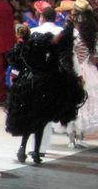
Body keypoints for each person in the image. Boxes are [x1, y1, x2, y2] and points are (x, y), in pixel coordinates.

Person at [6, 18, 85, 164]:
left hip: (26, 85)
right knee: (41, 119)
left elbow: (16, 64)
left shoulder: (24, 45)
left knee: (28, 118)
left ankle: (22, 147)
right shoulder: (43, 42)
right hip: (44, 86)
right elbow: (57, 55)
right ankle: (36, 151)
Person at [67, 0, 98, 148]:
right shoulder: (92, 35)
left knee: (72, 104)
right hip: (88, 71)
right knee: (85, 104)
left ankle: (71, 139)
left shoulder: (72, 34)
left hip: (73, 70)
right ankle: (80, 137)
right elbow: (94, 57)